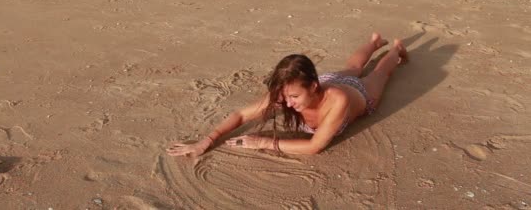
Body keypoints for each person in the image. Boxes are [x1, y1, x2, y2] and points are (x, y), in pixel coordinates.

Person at [166, 32, 408, 156]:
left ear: (313, 87)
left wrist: (263, 142)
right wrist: (207, 141)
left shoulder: (338, 101)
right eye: (285, 97)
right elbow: (240, 114)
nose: (288, 104)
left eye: (294, 98)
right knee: (353, 67)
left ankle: (396, 51)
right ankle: (374, 42)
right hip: (329, 81)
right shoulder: (290, 92)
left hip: (359, 94)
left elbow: (314, 146)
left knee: (378, 74)